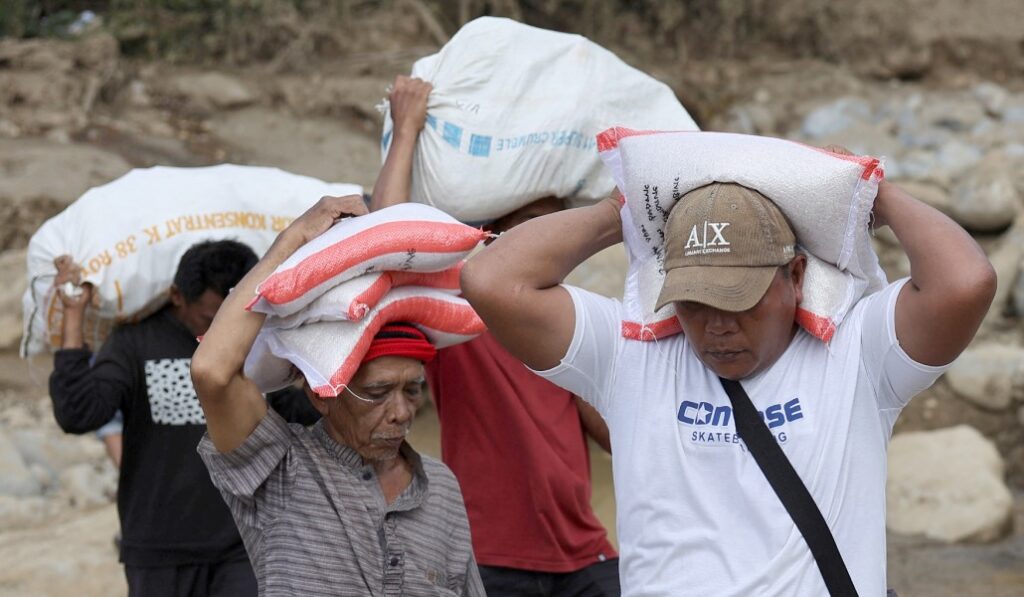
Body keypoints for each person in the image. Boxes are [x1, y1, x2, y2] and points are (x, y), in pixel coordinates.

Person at [459, 169, 997, 595]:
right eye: (693, 303)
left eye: (739, 300)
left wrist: (875, 197)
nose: (716, 326)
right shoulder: (631, 355)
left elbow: (965, 281)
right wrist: (625, 206)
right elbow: (492, 280)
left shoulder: (856, 353)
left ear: (795, 277)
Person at [373, 75, 619, 596]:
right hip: (491, 559)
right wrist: (407, 128)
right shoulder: (460, 316)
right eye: (530, 229)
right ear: (494, 240)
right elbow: (387, 243)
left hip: (586, 554)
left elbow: (618, 435)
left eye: (557, 233)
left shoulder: (573, 322)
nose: (546, 247)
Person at [190, 195, 485, 597]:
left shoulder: (440, 486)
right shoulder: (281, 469)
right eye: (377, 392)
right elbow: (213, 372)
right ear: (320, 395)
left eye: (412, 390)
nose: (401, 413)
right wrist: (291, 240)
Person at [48, 239, 316, 597]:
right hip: (158, 550)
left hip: (245, 544)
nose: (223, 331)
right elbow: (78, 413)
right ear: (177, 296)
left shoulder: (254, 342)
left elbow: (300, 415)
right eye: (210, 318)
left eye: (231, 316)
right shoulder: (135, 343)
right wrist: (73, 316)